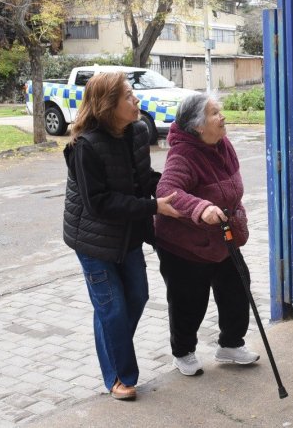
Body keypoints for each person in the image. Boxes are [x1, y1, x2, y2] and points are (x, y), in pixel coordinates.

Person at [63, 72, 180, 400]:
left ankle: (112, 354)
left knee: (137, 296)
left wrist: (177, 190)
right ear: (107, 105)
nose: (136, 100)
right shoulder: (83, 146)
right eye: (128, 96)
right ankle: (120, 378)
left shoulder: (138, 131)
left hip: (127, 233)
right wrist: (154, 206)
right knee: (112, 308)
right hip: (93, 240)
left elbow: (144, 178)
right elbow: (98, 204)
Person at [154, 93, 259, 377]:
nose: (222, 116)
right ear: (198, 126)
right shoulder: (183, 155)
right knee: (189, 300)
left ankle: (230, 344)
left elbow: (230, 185)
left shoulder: (221, 144)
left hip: (221, 237)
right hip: (183, 244)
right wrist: (201, 207)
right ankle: (183, 352)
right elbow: (166, 193)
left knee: (238, 287)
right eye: (215, 113)